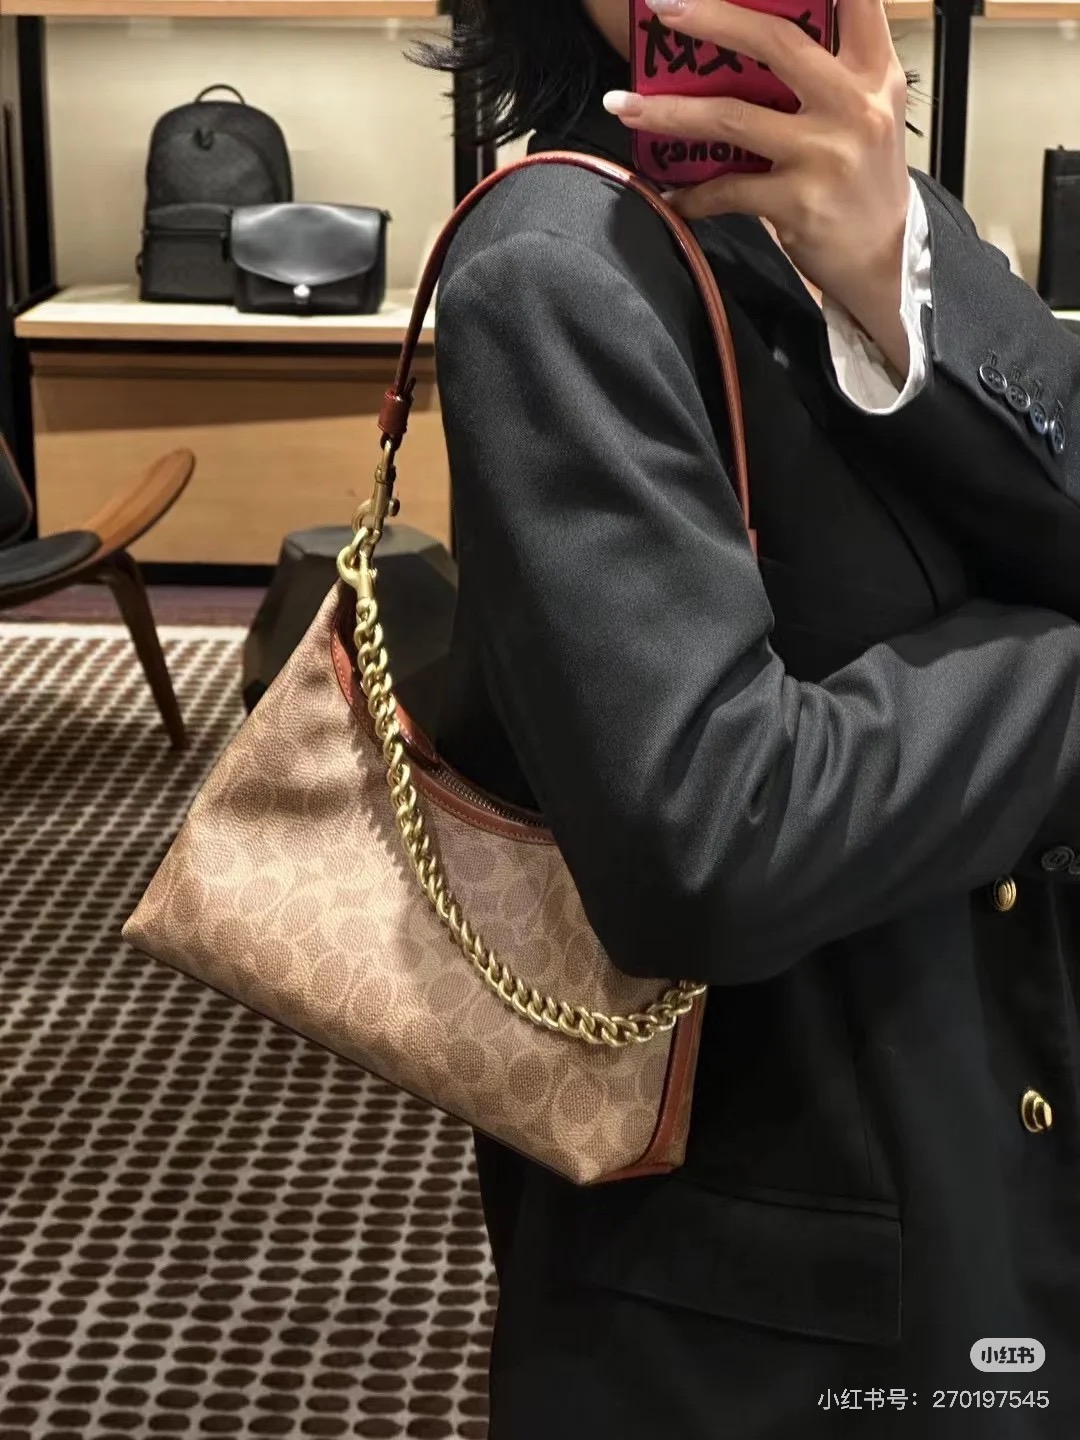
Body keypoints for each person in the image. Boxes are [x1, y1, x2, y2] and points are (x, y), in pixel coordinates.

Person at [422, 0, 1080, 1434]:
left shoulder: (884, 202)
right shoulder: (557, 269)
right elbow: (714, 837)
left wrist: (897, 277)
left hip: (983, 1094)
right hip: (773, 1261)